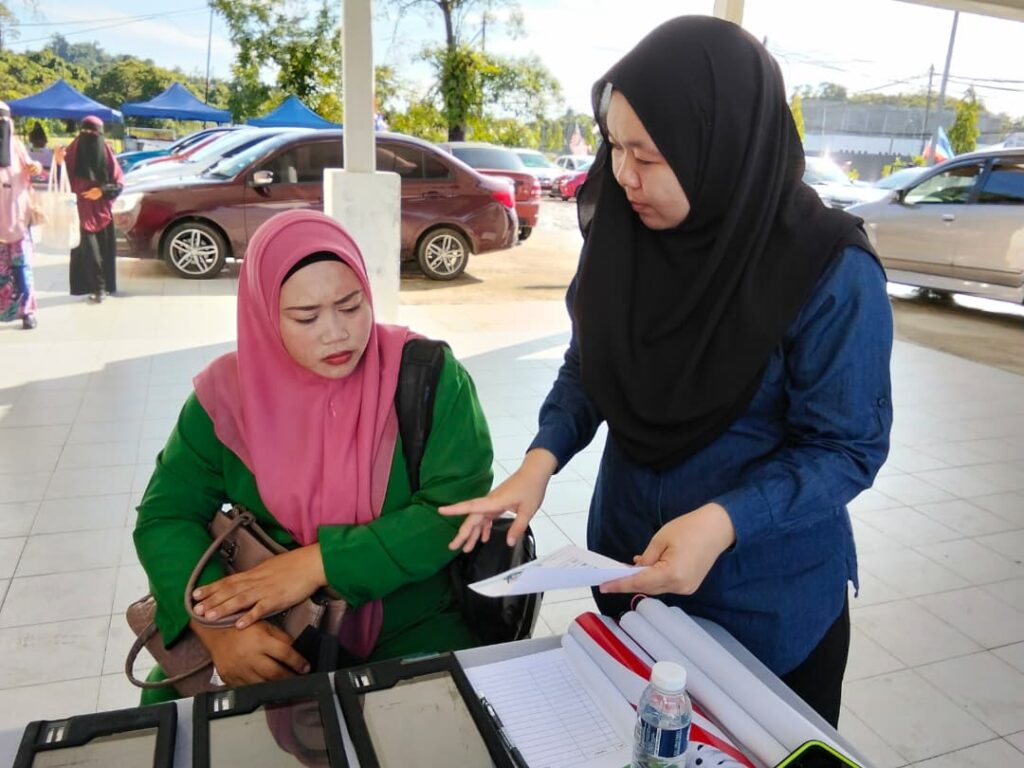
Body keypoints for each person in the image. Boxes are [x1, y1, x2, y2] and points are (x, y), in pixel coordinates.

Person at [442, 16, 892, 728]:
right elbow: (592, 362)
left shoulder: (828, 269)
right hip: (630, 580)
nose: (623, 176)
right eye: (615, 147)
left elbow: (846, 447)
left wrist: (724, 522)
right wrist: (540, 460)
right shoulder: (625, 235)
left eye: (647, 156)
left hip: (765, 605)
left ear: (720, 147)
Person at [133, 209, 493, 704]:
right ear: (263, 316)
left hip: (410, 623)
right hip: (268, 627)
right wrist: (221, 630)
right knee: (179, 725)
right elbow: (166, 515)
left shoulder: (428, 377)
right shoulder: (227, 398)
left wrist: (319, 563)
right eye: (306, 317)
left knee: (442, 719)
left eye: (351, 305)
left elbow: (456, 508)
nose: (337, 333)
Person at [61, 115, 123, 302]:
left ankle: (103, 287)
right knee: (89, 251)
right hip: (79, 210)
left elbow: (118, 182)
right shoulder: (73, 151)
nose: (88, 135)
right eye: (84, 131)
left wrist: (102, 191)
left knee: (103, 251)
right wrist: (57, 161)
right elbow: (60, 177)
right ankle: (98, 288)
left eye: (92, 132)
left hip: (101, 212)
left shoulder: (106, 152)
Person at [0, 100, 42, 330]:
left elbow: (31, 167)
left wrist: (35, 167)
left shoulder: (15, 146)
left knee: (22, 267)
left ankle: (27, 311)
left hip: (17, 218)